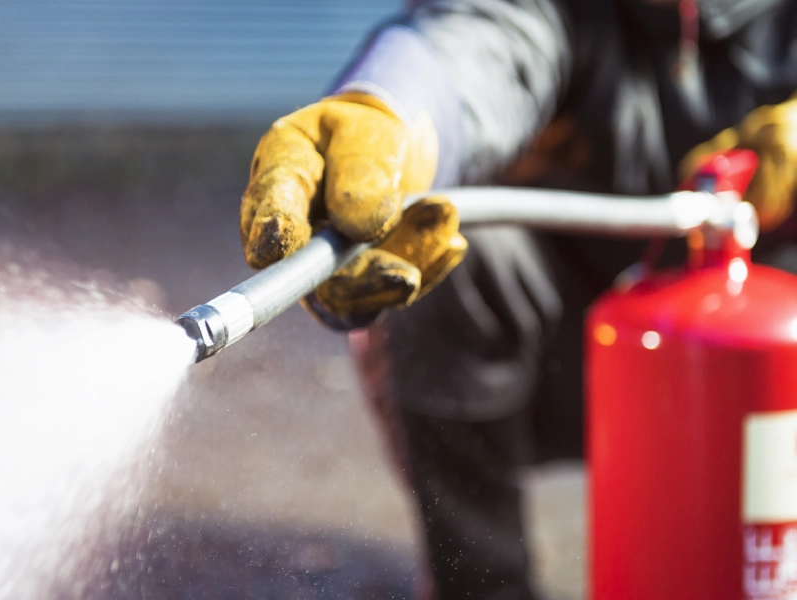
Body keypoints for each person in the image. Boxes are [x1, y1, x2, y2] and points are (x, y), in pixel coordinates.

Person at [239, 1, 797, 598]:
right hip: (577, 348)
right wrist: (386, 110)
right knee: (443, 259)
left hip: (775, 372)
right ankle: (485, 586)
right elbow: (474, 42)